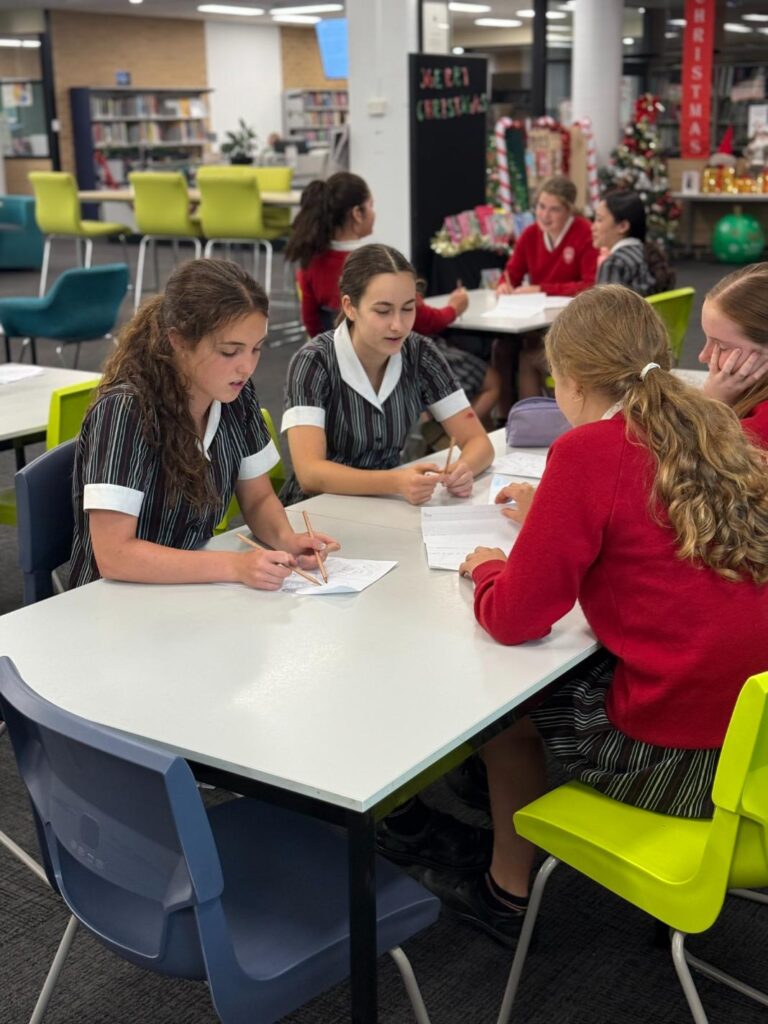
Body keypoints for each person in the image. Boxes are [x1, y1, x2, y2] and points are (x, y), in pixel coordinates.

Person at [426, 284, 768, 947]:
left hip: (684, 765)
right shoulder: (721, 428)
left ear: (572, 381)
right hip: (752, 750)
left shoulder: (589, 451)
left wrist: (489, 567)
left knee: (506, 711)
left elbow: (516, 618)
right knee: (584, 667)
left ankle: (505, 890)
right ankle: (492, 807)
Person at [70, 259, 338, 590]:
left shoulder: (235, 395)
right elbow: (115, 555)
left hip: (191, 585)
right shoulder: (127, 409)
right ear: (179, 341)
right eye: (229, 351)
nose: (247, 367)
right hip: (115, 599)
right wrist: (235, 566)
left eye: (256, 349)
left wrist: (287, 540)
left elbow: (257, 499)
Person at [281, 243, 495, 507]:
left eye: (408, 308)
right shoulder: (313, 362)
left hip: (388, 503)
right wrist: (395, 482)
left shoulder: (420, 353)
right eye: (383, 311)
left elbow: (478, 442)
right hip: (316, 509)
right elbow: (310, 474)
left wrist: (463, 469)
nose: (398, 325)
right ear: (349, 307)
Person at [285, 172, 500, 423]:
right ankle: (442, 434)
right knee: (493, 381)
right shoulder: (377, 265)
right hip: (395, 358)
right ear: (357, 213)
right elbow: (425, 321)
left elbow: (312, 323)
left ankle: (428, 427)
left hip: (346, 365)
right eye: (371, 206)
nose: (374, 213)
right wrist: (455, 307)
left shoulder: (310, 263)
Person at [494, 176, 598, 409]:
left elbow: (589, 285)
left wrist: (542, 288)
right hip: (534, 319)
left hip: (571, 323)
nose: (545, 215)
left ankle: (535, 417)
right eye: (541, 207)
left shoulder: (585, 232)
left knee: (528, 356)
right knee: (502, 348)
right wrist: (504, 285)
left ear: (569, 210)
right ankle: (505, 415)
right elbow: (511, 273)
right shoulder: (530, 234)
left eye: (554, 209)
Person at [699, 262, 768, 447]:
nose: (703, 356)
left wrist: (712, 405)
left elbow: (697, 456)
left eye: (721, 347)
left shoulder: (757, 430)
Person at [592, 189, 675, 296]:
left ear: (623, 226)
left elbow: (603, 306)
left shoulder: (614, 263)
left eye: (599, 220)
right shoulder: (648, 254)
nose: (592, 227)